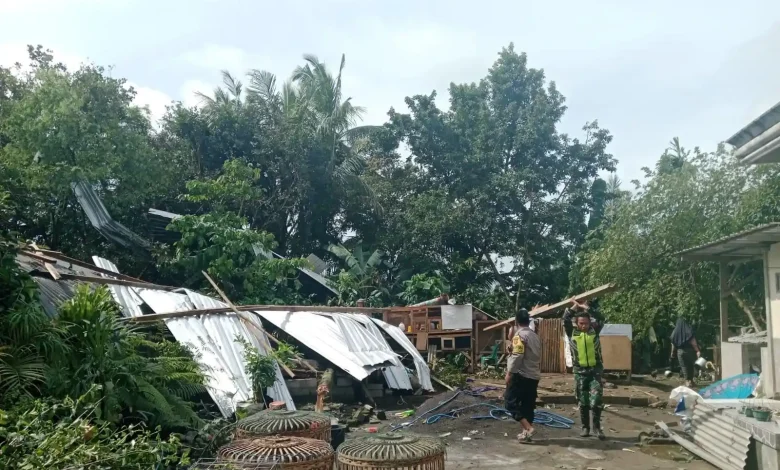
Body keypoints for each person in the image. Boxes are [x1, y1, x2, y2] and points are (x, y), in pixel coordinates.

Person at [563, 299, 606, 440]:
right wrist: (575, 307)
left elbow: (602, 317)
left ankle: (597, 428)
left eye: (586, 323)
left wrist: (588, 308)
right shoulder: (572, 332)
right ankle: (585, 427)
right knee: (583, 402)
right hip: (580, 373)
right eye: (581, 323)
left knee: (596, 402)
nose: (584, 326)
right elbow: (565, 318)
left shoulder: (595, 330)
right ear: (577, 323)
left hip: (595, 372)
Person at [504, 308, 542, 443]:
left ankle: (528, 428)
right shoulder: (535, 336)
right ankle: (526, 434)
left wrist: (509, 373)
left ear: (516, 322)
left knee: (509, 402)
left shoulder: (519, 336)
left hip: (522, 375)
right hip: (534, 375)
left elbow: (518, 356)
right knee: (528, 405)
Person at [670, 317, 700, 387]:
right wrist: (697, 350)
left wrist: (672, 353)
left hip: (680, 351)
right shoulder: (688, 331)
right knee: (691, 366)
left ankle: (687, 381)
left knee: (684, 367)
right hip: (690, 351)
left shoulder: (674, 332)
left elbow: (673, 344)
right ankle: (691, 381)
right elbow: (693, 342)